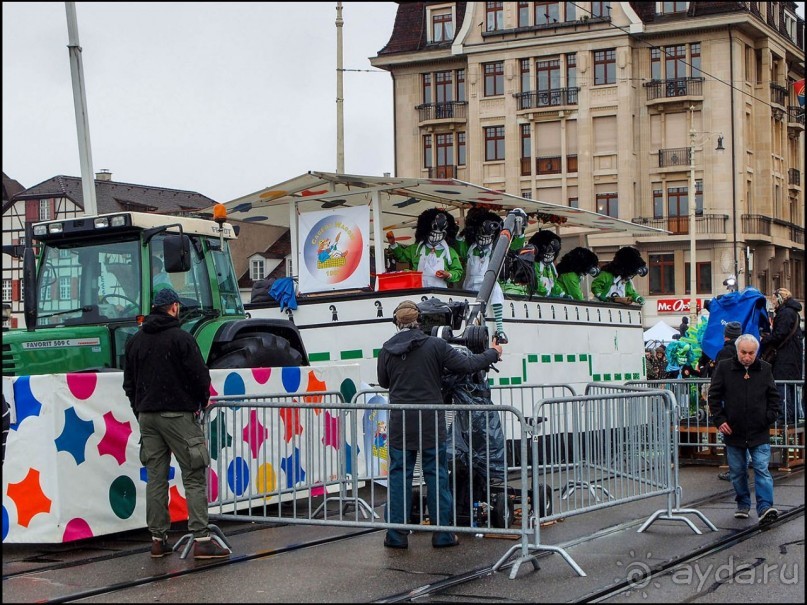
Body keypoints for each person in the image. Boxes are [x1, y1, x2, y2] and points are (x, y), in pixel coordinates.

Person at [377, 300, 503, 549]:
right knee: (436, 475)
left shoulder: (386, 349)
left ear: (396, 322)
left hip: (400, 421)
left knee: (399, 476)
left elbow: (383, 382)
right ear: (419, 321)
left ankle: (396, 536)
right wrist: (492, 353)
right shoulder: (436, 346)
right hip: (430, 421)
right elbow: (467, 365)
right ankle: (443, 534)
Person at [122, 288, 230, 559]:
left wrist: (141, 409)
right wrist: (200, 401)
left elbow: (129, 384)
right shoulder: (182, 339)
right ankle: (202, 539)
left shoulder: (135, 342)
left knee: (156, 479)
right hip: (179, 415)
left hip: (147, 416)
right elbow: (199, 377)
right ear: (173, 307)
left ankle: (158, 540)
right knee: (193, 475)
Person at [708, 334, 780, 525]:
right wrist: (720, 419)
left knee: (761, 469)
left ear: (756, 352)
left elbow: (774, 398)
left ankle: (765, 507)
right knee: (738, 471)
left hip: (759, 431)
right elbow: (713, 397)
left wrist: (769, 417)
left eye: (751, 353)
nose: (747, 357)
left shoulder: (765, 369)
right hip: (734, 431)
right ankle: (743, 503)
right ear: (737, 351)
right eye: (744, 353)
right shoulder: (724, 367)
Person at [386, 208, 464, 288]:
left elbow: (458, 271)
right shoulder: (416, 248)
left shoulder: (450, 252)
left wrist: (448, 275)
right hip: (419, 291)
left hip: (440, 293)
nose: (436, 234)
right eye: (433, 232)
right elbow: (401, 256)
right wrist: (393, 243)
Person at [760, 288, 804, 423]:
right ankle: (793, 417)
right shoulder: (793, 313)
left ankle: (784, 416)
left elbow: (780, 334)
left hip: (785, 357)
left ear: (780, 299)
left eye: (774, 300)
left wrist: (765, 340)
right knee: (790, 386)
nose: (773, 303)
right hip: (792, 357)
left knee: (782, 385)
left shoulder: (785, 313)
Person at [710, 321, 743, 481]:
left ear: (726, 336)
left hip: (728, 398)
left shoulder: (723, 353)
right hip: (743, 398)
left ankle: (735, 470)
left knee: (730, 434)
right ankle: (740, 467)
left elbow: (717, 378)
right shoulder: (745, 351)